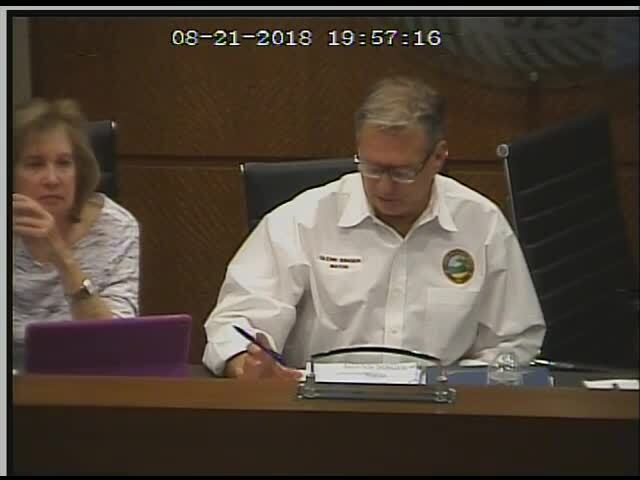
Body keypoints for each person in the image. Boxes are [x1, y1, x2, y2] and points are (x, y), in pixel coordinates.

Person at [202, 76, 545, 379]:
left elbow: (514, 341)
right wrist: (245, 366)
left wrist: (461, 386)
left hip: (442, 415)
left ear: (438, 158)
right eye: (371, 167)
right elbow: (235, 324)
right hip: (317, 414)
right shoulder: (301, 221)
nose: (384, 186)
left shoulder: (481, 225)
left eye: (401, 172)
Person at [12, 98, 140, 360]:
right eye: (35, 164)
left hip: (85, 375)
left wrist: (62, 257)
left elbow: (117, 346)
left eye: (63, 163)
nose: (52, 179)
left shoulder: (115, 227)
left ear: (79, 171)